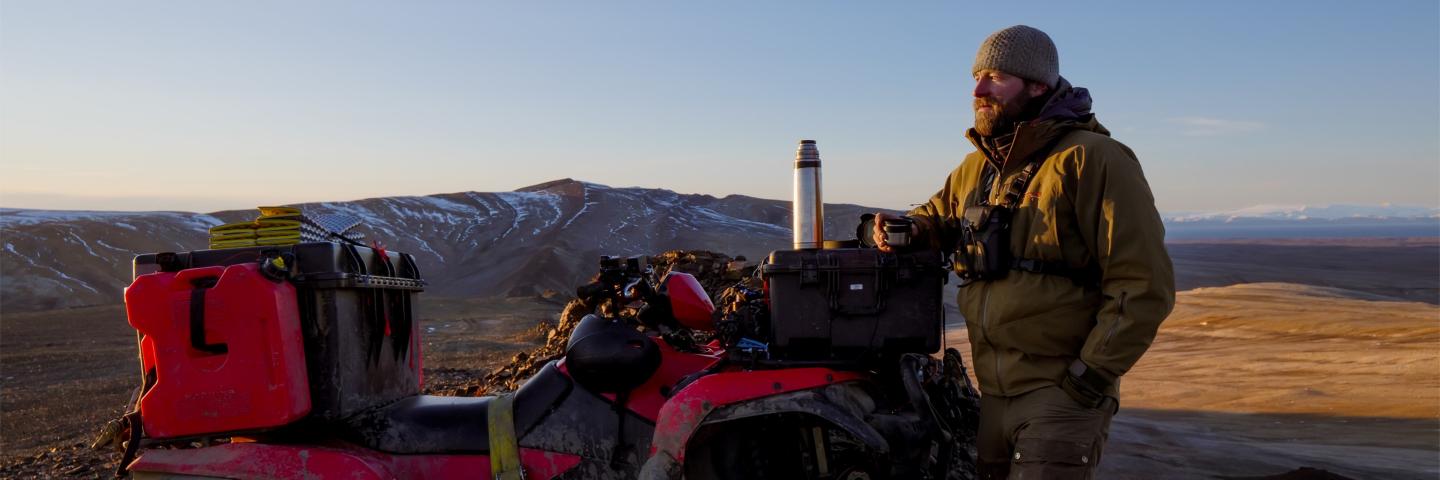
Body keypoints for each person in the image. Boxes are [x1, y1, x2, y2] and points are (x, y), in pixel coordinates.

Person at [874, 25, 1175, 479]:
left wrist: (1088, 379)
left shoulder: (1094, 159)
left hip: (1060, 393)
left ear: (1038, 84)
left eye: (995, 76)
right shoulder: (979, 166)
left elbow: (1142, 284)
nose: (978, 89)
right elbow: (937, 216)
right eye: (976, 77)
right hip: (994, 393)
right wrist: (909, 229)